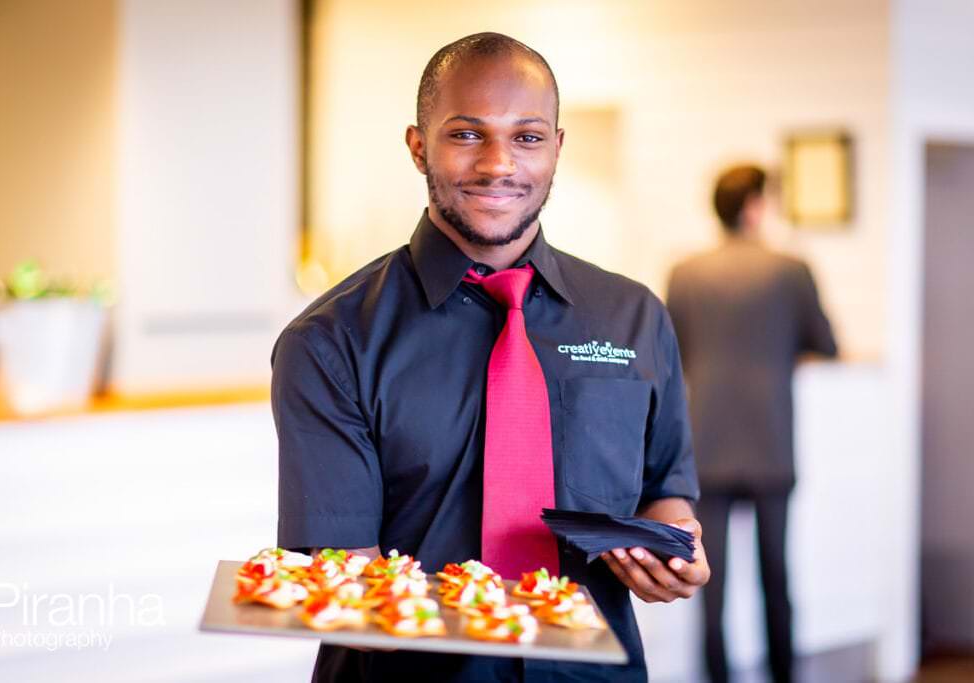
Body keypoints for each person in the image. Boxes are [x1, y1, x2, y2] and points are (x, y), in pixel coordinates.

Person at [272, 32, 709, 682]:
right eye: (467, 134)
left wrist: (672, 552)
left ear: (557, 147)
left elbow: (664, 493)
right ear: (418, 146)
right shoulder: (332, 339)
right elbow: (351, 585)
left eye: (528, 137)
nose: (499, 163)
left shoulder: (635, 315)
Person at [666, 165, 838, 683]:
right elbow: (825, 344)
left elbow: (672, 351)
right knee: (775, 577)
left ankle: (716, 677)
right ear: (755, 206)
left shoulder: (685, 271)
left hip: (708, 445)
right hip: (770, 443)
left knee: (708, 584)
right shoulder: (790, 268)